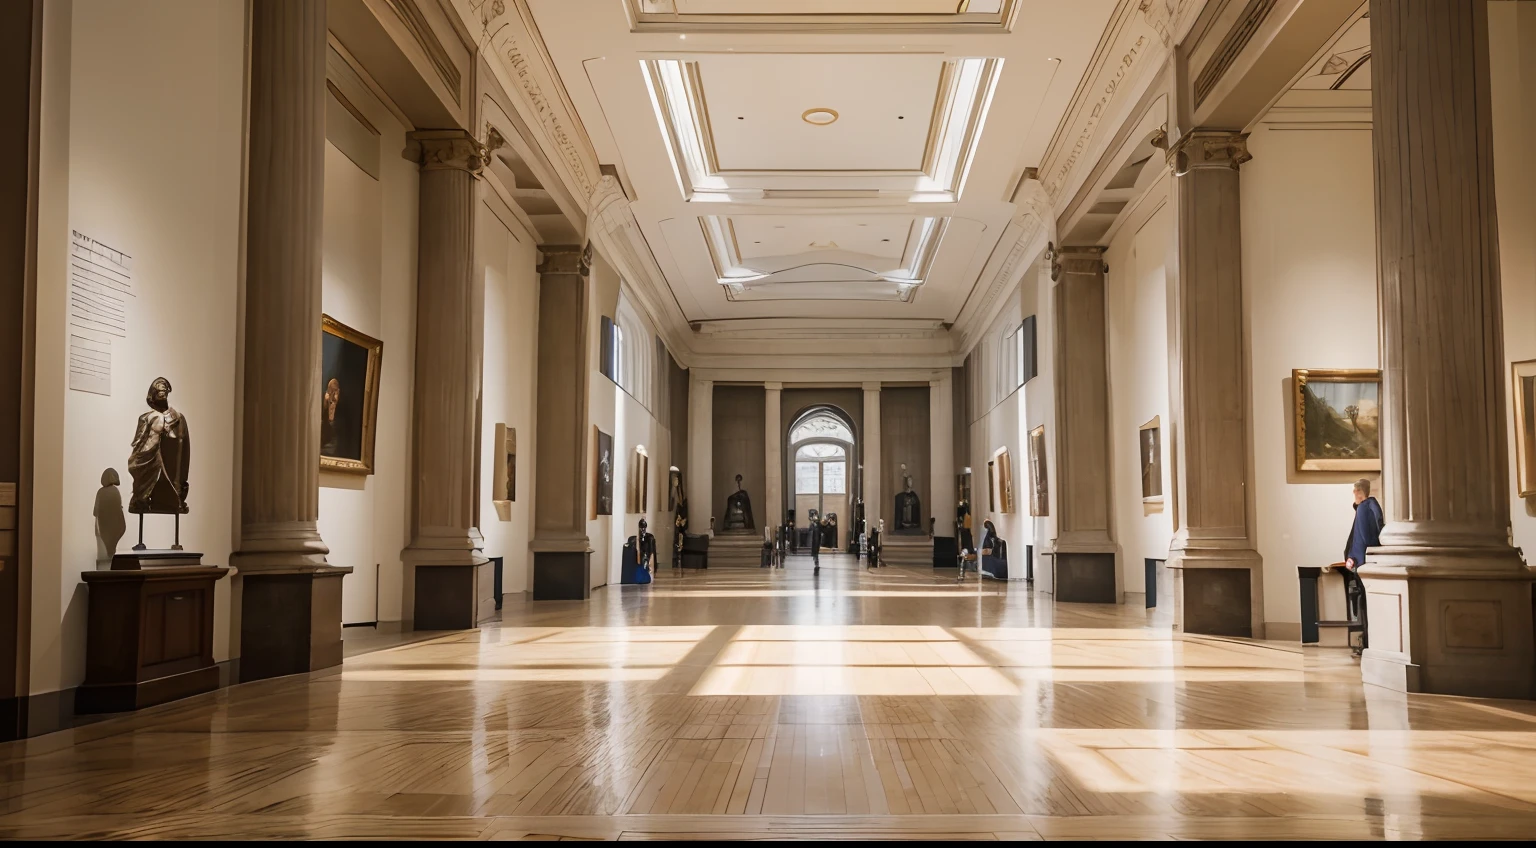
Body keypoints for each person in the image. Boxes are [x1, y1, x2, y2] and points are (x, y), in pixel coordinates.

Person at [1341, 477, 1384, 655]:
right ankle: (1368, 642)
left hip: (1363, 564)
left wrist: (1352, 558)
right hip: (1367, 562)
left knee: (1365, 606)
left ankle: (1368, 643)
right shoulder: (1370, 507)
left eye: (1355, 491)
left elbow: (1363, 539)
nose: (1353, 494)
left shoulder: (1365, 508)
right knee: (1366, 605)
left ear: (1360, 492)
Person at [809, 509, 822, 574]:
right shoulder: (812, 525)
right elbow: (810, 530)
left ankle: (816, 562)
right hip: (814, 539)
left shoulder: (818, 524)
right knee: (815, 552)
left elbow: (821, 529)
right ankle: (816, 562)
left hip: (817, 539)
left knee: (816, 551)